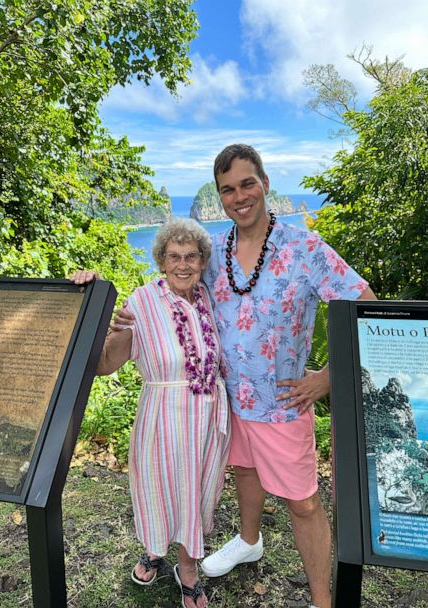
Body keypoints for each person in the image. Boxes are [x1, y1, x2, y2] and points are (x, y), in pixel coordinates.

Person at [113, 144, 376, 608]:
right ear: (220, 195)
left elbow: (365, 305)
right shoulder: (215, 255)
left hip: (282, 405)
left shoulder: (304, 248)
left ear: (265, 182)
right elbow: (172, 288)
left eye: (247, 183)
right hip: (227, 403)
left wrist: (330, 377)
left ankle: (321, 599)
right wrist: (112, 305)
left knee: (303, 503)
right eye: (227, 189)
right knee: (243, 473)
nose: (239, 197)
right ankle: (249, 540)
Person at [71, 217, 230, 608]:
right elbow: (105, 363)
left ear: (202, 260)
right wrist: (86, 304)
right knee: (160, 491)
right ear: (161, 261)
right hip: (162, 417)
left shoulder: (209, 300)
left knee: (197, 493)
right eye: (173, 256)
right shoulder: (142, 301)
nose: (183, 264)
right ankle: (156, 552)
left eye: (191, 256)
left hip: (208, 418)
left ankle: (187, 568)